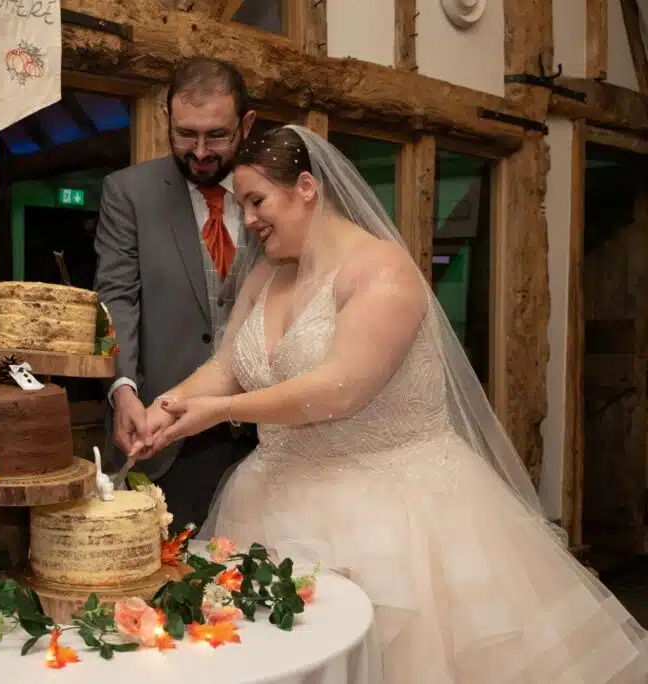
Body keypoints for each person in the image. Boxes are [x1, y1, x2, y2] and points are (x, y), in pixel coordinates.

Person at [138, 125, 648, 682]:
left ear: (306, 187)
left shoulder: (381, 271)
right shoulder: (266, 273)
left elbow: (342, 389)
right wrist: (170, 404)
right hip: (274, 501)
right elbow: (229, 364)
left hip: (395, 515)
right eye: (243, 206)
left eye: (257, 201)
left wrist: (221, 412)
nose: (249, 220)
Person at [94, 57, 259, 531]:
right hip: (163, 436)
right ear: (167, 117)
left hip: (269, 436)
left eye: (217, 136)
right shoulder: (129, 193)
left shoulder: (270, 192)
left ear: (246, 124)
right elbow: (116, 299)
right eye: (186, 134)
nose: (201, 152)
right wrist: (122, 389)